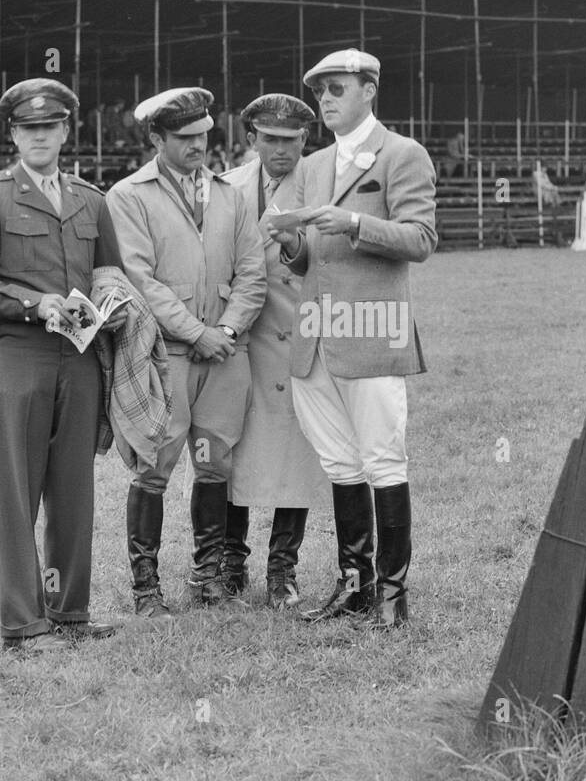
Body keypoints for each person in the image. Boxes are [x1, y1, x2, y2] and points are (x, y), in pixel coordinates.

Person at [0, 78, 123, 655]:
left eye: (50, 127)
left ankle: (70, 611)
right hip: (20, 358)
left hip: (80, 359)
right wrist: (31, 303)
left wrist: (116, 308)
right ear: (14, 135)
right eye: (29, 128)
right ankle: (24, 623)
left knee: (73, 490)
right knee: (16, 491)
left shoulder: (92, 200)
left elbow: (111, 275)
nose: (40, 136)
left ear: (67, 131)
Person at [268, 49, 437, 629]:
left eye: (338, 88)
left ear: (370, 89)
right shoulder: (311, 167)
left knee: (384, 460)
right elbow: (307, 259)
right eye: (320, 92)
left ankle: (393, 597)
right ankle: (356, 586)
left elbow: (420, 238)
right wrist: (289, 242)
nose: (327, 99)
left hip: (371, 335)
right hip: (316, 335)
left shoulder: (402, 154)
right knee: (341, 463)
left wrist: (357, 223)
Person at [105, 88, 267, 619]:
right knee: (153, 467)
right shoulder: (128, 196)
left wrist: (226, 328)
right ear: (157, 139)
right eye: (185, 138)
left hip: (225, 353)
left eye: (203, 136)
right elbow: (141, 281)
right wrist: (199, 333)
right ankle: (146, 589)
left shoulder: (231, 195)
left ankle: (208, 578)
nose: (199, 145)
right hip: (166, 356)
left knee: (215, 464)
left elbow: (252, 274)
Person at [220, 94, 328, 608]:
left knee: (296, 451)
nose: (280, 150)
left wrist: (292, 245)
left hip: (298, 335)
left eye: (290, 140)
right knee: (231, 446)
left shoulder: (324, 182)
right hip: (241, 338)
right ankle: (229, 562)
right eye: (270, 140)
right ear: (252, 140)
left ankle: (283, 569)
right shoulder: (229, 186)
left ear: (306, 140)